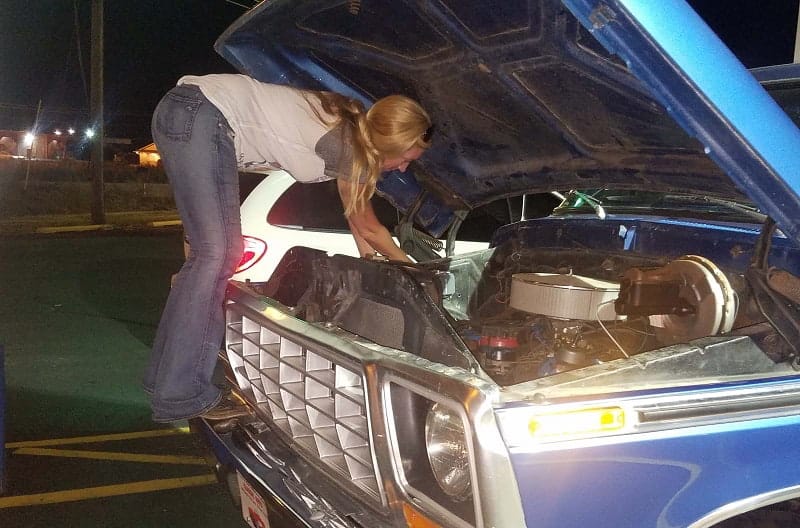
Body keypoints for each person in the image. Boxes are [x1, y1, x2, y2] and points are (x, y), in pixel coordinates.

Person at [143, 73, 433, 422]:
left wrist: (370, 260)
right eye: (405, 158)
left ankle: (165, 382)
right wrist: (413, 270)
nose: (403, 168)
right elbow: (370, 226)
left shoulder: (349, 130)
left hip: (185, 112)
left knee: (211, 257)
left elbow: (358, 225)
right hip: (203, 114)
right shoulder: (348, 144)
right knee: (217, 255)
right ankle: (182, 393)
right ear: (388, 145)